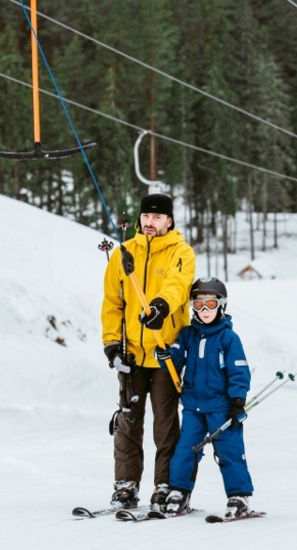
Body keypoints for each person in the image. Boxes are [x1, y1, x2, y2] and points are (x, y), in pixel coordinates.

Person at [100, 193, 195, 509]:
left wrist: (160, 307)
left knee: (165, 423)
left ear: (169, 220)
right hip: (132, 355)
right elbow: (113, 302)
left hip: (166, 353)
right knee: (128, 421)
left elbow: (178, 287)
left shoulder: (181, 253)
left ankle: (165, 485)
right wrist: (112, 343)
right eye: (146, 217)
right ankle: (125, 484)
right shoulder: (123, 254)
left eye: (157, 217)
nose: (150, 222)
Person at [156, 277, 254, 518]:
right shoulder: (188, 335)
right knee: (185, 451)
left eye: (210, 304)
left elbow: (239, 370)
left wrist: (237, 400)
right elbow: (175, 360)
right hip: (192, 406)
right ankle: (180, 491)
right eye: (198, 305)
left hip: (222, 407)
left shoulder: (229, 338)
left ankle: (238, 495)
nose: (204, 310)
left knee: (228, 449)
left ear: (221, 306)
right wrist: (165, 355)